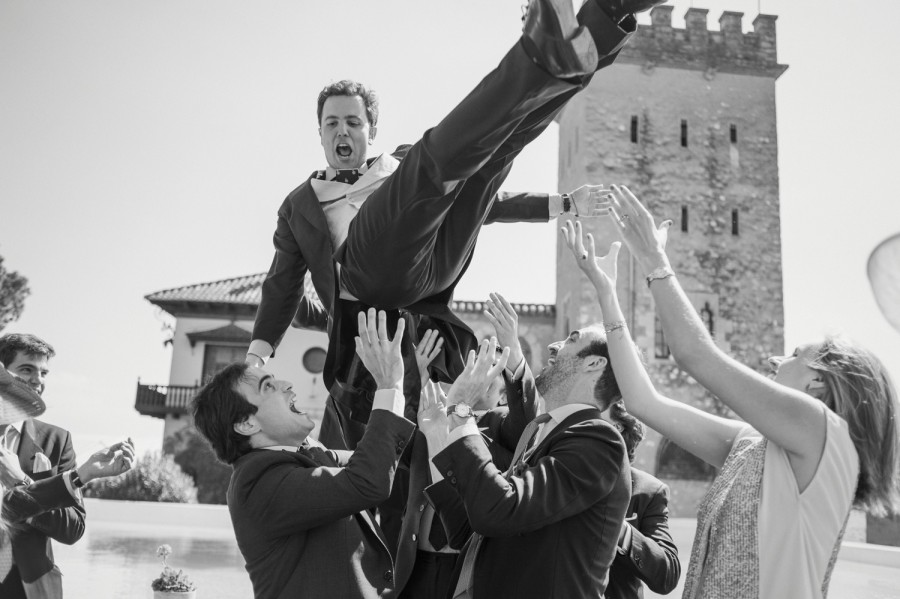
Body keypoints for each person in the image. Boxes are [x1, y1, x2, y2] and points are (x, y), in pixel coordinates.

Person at [246, 0, 665, 452]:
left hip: (433, 271)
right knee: (431, 162)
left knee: (492, 155)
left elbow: (489, 204)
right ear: (320, 132)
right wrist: (256, 358)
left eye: (353, 121)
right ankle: (538, 54)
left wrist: (564, 204)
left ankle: (605, 22)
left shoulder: (397, 167)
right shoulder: (300, 206)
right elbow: (282, 285)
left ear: (371, 130)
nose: (342, 131)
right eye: (332, 123)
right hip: (373, 283)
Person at [563, 186, 900, 599]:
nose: (775, 359)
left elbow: (694, 355)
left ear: (820, 381)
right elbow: (643, 403)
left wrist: (654, 260)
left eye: (795, 354)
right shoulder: (754, 444)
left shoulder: (821, 430)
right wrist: (607, 294)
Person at [191, 309, 416, 599]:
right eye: (268, 386)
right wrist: (389, 386)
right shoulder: (258, 484)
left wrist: (425, 393)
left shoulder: (305, 455)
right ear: (246, 424)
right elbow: (367, 479)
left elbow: (376, 459)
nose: (286, 385)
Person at [421, 326, 632, 598]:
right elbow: (465, 530)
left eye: (572, 339)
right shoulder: (548, 434)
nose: (553, 345)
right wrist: (437, 434)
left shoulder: (599, 440)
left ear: (594, 363)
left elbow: (497, 510)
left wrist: (461, 410)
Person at [390, 294, 536, 599]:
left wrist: (511, 347)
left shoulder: (501, 424)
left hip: (466, 569)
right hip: (414, 566)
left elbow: (527, 421)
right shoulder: (433, 416)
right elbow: (394, 449)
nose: (477, 370)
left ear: (503, 395)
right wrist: (415, 379)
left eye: (490, 367)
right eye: (475, 362)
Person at [0, 334, 85, 599]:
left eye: (44, 372)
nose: (38, 380)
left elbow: (73, 528)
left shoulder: (57, 441)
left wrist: (22, 484)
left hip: (29, 588)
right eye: (27, 369)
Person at [603, 400, 680, 599]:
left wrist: (619, 529)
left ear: (618, 428)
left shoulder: (649, 491)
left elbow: (667, 575)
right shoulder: (560, 475)